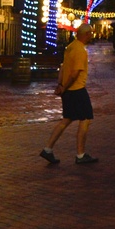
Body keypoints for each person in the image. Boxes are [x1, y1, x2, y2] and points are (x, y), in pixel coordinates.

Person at [40, 24, 99, 165]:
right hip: (77, 89)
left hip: (68, 91)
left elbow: (63, 67)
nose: (91, 36)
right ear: (86, 34)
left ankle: (47, 149)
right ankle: (80, 154)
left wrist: (60, 85)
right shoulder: (80, 50)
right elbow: (74, 73)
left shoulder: (70, 47)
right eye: (90, 33)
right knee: (85, 119)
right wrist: (65, 87)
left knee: (66, 119)